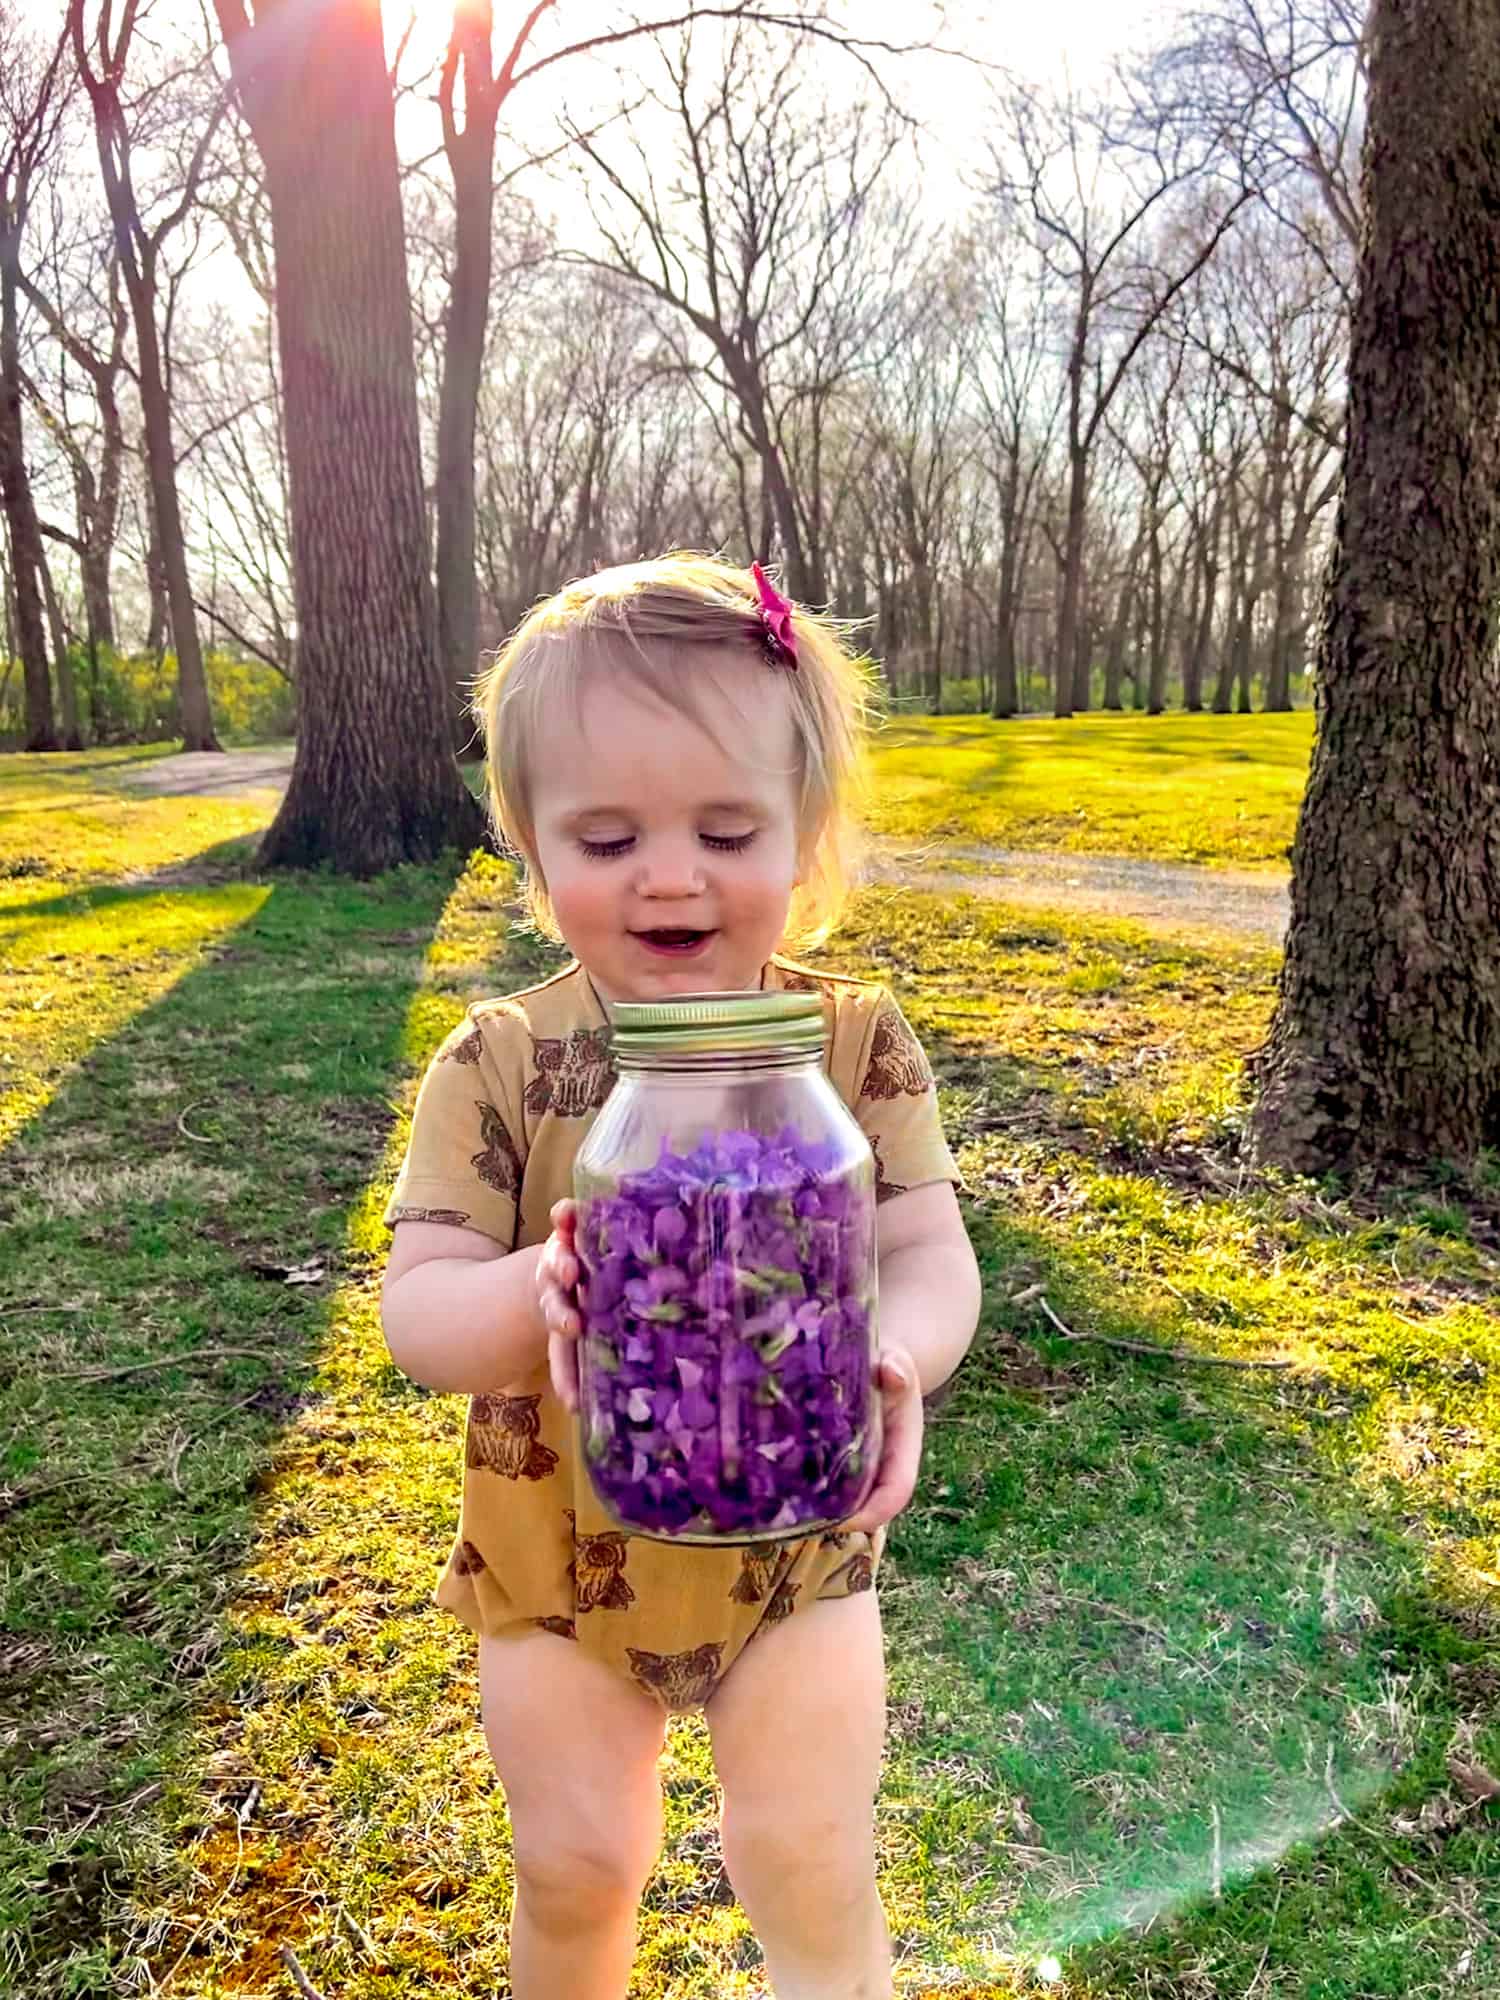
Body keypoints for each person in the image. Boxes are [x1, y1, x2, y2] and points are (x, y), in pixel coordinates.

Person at [380, 551, 981, 2000]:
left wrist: (896, 1352)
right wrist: (537, 1288)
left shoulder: (854, 1044)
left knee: (811, 1863)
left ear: (805, 834)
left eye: (726, 828)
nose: (670, 875)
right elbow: (419, 1311)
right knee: (574, 1870)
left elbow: (923, 1250)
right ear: (528, 849)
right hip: (560, 1563)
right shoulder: (500, 1063)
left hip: (800, 1555)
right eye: (604, 839)